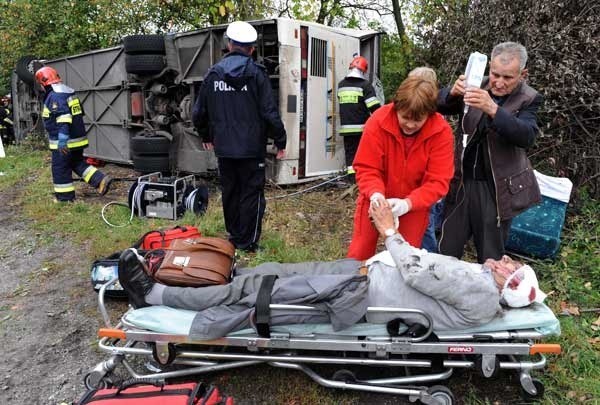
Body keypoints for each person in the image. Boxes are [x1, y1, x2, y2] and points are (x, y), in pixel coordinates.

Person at [119, 201, 546, 340]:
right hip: (361, 275)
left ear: (506, 284)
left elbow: (417, 274)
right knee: (265, 272)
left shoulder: (481, 291)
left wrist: (389, 232)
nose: (504, 260)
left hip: (354, 292)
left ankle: (157, 298)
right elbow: (424, 270)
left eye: (510, 267)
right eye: (511, 260)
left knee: (254, 296)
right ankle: (184, 282)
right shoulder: (479, 281)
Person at [437, 42, 543, 263]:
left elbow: (526, 136)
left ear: (523, 74)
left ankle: (489, 296)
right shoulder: (477, 84)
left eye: (508, 77)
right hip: (462, 183)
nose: (499, 82)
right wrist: (451, 94)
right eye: (495, 74)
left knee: (491, 258)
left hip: (496, 189)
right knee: (446, 248)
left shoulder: (530, 98)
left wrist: (493, 110)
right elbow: (438, 105)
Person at [192, 21, 287, 252]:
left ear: (229, 44)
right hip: (252, 149)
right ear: (252, 49)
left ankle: (234, 236)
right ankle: (248, 242)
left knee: (231, 191)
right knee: (252, 194)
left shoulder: (213, 74)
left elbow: (198, 112)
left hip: (224, 148)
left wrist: (206, 135)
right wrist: (280, 140)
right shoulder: (257, 74)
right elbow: (269, 112)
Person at [347, 75, 454, 260]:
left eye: (418, 120)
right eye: (405, 117)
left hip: (414, 205)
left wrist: (407, 204)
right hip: (374, 199)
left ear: (430, 114)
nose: (410, 125)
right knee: (359, 253)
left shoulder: (441, 132)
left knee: (406, 259)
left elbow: (437, 181)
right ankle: (353, 285)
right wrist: (375, 194)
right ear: (396, 106)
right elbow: (367, 167)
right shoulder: (378, 121)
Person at [34, 67, 112, 202]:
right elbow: (79, 113)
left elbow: (64, 118)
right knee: (76, 163)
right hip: (77, 139)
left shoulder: (54, 96)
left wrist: (62, 139)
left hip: (64, 142)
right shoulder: (68, 92)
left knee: (60, 169)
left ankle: (65, 198)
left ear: (43, 83)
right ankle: (100, 180)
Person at [406, 67, 444, 253]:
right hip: (416, 190)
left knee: (425, 228)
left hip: (426, 190)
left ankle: (430, 262)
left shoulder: (434, 120)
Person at [337, 55, 381, 178]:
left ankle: (351, 177)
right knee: (364, 152)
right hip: (362, 127)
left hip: (346, 127)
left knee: (350, 152)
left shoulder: (341, 85)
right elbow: (374, 107)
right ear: (363, 70)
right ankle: (363, 176)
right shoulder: (365, 85)